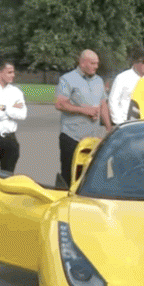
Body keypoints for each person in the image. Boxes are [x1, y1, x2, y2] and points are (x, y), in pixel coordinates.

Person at [55, 49, 111, 188]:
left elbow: (103, 104)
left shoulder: (98, 81)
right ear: (82, 62)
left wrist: (109, 128)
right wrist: (83, 110)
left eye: (97, 63)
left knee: (90, 177)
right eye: (92, 63)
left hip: (92, 139)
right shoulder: (66, 79)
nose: (96, 66)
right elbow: (60, 103)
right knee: (70, 176)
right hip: (72, 136)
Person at [108, 48, 144, 125]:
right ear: (134, 63)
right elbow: (113, 101)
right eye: (143, 62)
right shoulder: (122, 78)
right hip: (127, 123)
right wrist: (119, 123)